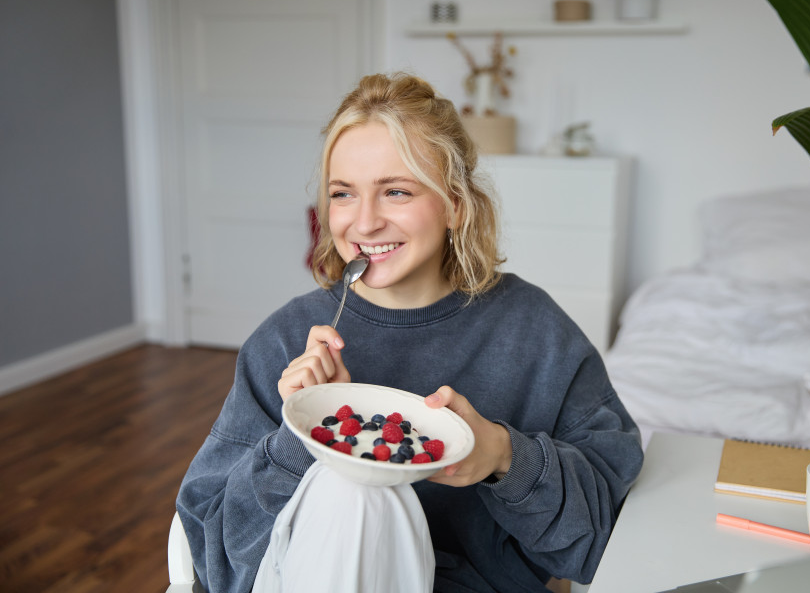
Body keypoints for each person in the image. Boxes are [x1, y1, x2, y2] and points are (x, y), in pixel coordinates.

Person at [176, 72, 644, 593]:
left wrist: (502, 456)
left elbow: (611, 536)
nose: (364, 223)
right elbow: (213, 554)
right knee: (353, 490)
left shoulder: (537, 334)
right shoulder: (285, 342)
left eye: (396, 191)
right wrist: (301, 436)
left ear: (455, 205)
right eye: (343, 194)